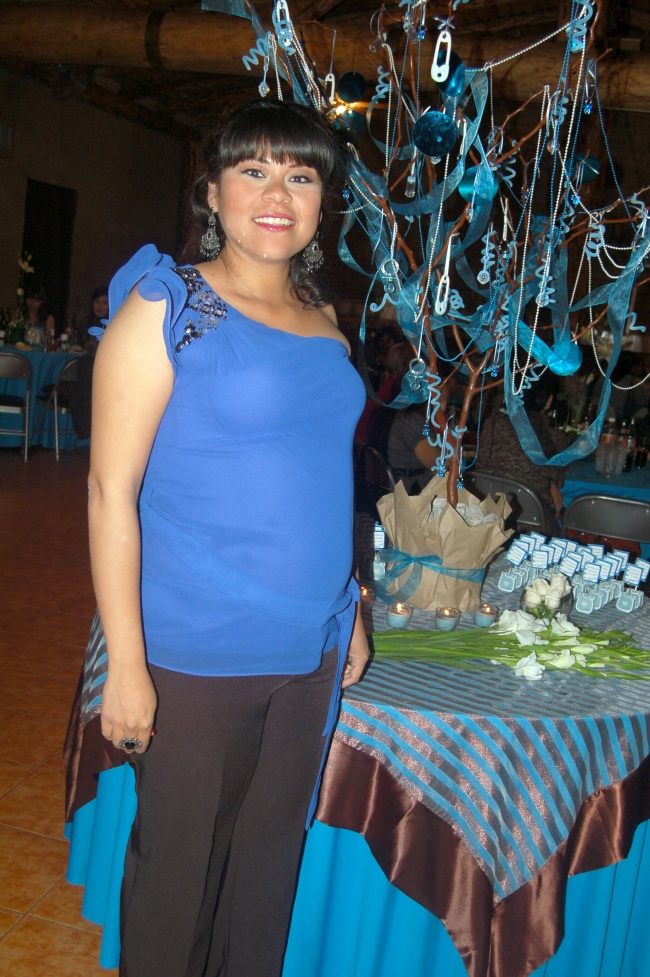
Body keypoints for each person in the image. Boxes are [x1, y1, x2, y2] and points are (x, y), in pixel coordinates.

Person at [66, 99, 369, 977]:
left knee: (266, 874)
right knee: (179, 878)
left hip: (311, 647)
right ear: (212, 191)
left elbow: (326, 473)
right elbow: (109, 491)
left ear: (321, 201)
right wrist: (127, 664)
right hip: (198, 648)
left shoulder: (324, 317)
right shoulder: (168, 307)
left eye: (300, 175)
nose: (278, 194)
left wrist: (349, 603)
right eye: (254, 171)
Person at [475, 370, 570, 531]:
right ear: (548, 401)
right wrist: (551, 482)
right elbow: (559, 478)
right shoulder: (554, 436)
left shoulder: (492, 425)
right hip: (531, 520)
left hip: (486, 512)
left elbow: (480, 465)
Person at [78, 284, 108, 351]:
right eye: (97, 302)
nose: (100, 306)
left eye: (104, 303)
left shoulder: (112, 325)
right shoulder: (85, 322)